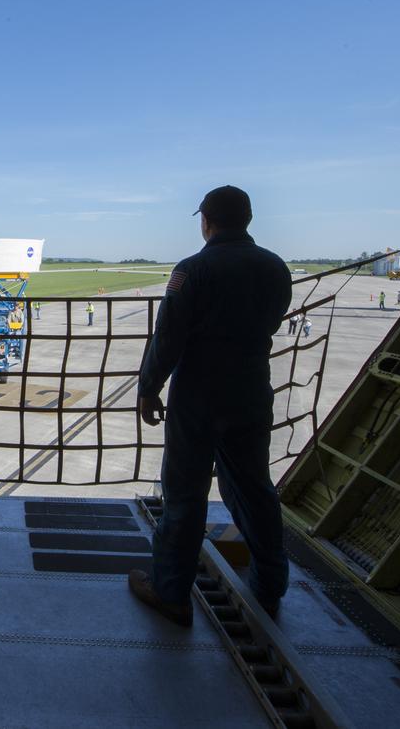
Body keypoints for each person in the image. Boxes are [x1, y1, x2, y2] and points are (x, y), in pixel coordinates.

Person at [129, 185, 292, 627]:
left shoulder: (192, 270)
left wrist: (148, 387)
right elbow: (274, 319)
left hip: (199, 394)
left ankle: (171, 593)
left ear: (206, 221)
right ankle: (270, 585)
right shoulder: (275, 268)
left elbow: (169, 337)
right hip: (252, 389)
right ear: (249, 218)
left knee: (185, 493)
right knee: (255, 488)